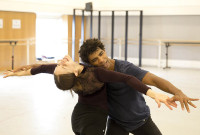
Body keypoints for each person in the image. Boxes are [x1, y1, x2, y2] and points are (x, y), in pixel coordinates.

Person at [5, 38, 199, 135]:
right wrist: (27, 69)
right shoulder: (89, 71)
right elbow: (49, 68)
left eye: (101, 54)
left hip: (141, 120)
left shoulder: (125, 67)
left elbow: (154, 80)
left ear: (104, 50)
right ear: (90, 63)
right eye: (95, 59)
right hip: (116, 122)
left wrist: (177, 92)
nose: (101, 60)